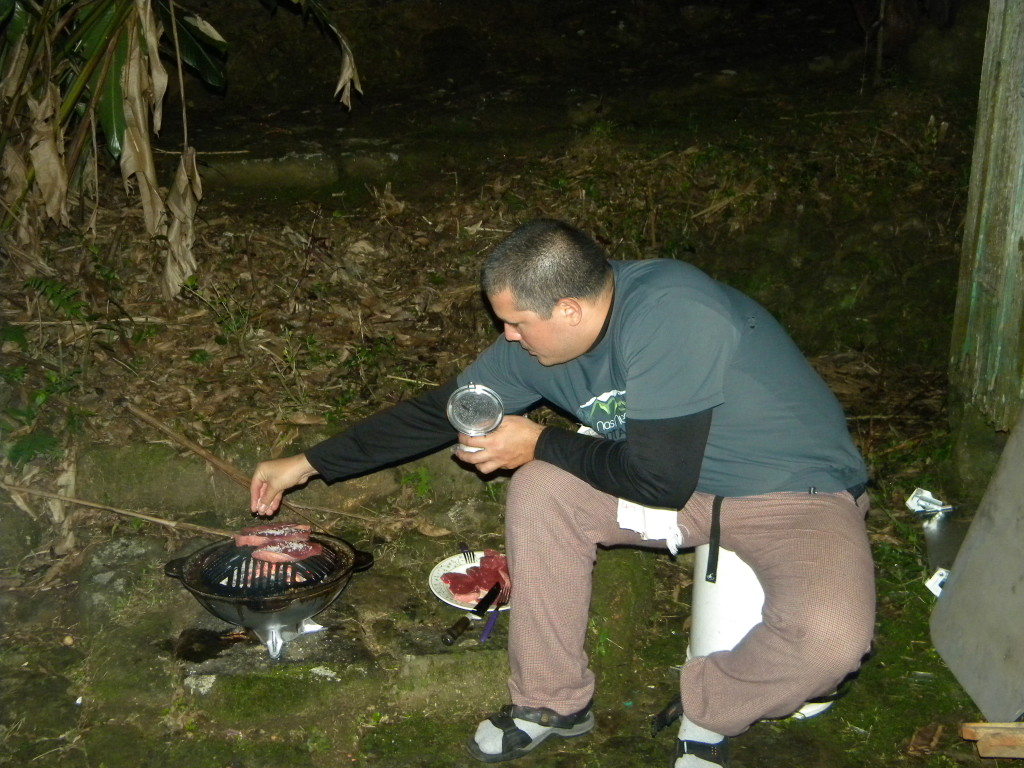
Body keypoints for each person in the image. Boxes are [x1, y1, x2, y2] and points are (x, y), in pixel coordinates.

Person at [249, 218, 875, 768]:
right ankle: (552, 702)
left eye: (516, 323)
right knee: (544, 490)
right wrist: (307, 463)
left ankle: (712, 705)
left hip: (791, 492)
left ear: (569, 309)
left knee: (829, 640)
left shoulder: (673, 313)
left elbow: (659, 477)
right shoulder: (543, 347)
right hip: (674, 487)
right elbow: (444, 411)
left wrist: (539, 441)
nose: (510, 339)